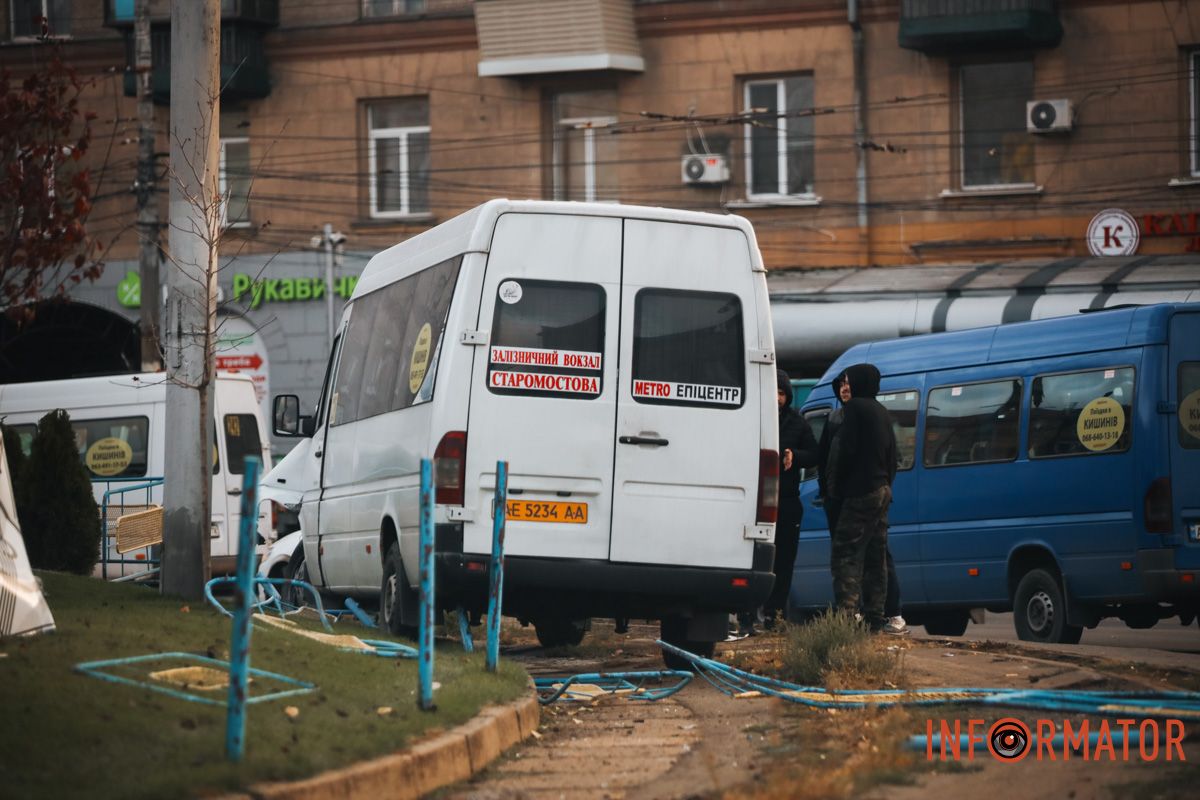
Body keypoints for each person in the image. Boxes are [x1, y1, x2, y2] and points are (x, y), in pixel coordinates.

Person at [818, 370, 907, 634]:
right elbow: (892, 455)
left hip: (858, 493)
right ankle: (875, 617)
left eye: (849, 381)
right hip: (881, 490)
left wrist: (835, 490)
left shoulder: (853, 409)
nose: (845, 387)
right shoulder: (881, 410)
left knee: (845, 554)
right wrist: (885, 484)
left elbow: (845, 451)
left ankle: (846, 619)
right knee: (875, 555)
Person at [735, 369, 817, 638]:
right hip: (755, 502)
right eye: (773, 392)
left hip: (787, 501)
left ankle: (774, 617)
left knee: (784, 563)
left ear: (788, 396)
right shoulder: (752, 417)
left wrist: (796, 455)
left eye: (781, 393)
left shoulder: (797, 423)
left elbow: (815, 454)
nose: (777, 398)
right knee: (751, 560)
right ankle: (746, 617)